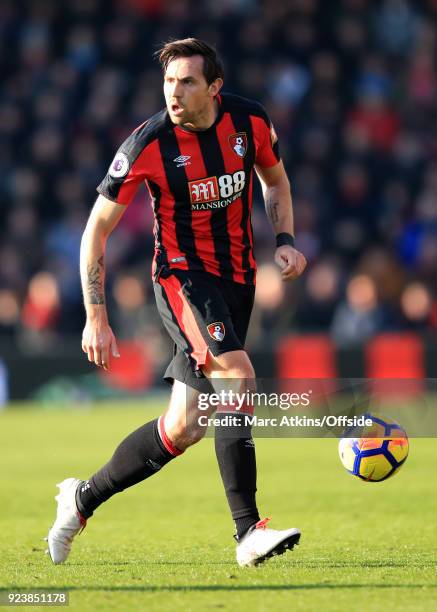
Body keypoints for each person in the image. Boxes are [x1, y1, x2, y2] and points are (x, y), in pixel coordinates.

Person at [46, 38, 307, 568]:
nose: (174, 92)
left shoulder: (250, 123)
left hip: (237, 279)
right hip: (183, 281)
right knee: (238, 377)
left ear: (214, 87)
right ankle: (248, 532)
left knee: (185, 425)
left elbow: (274, 178)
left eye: (186, 81)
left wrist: (284, 240)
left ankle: (80, 499)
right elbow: (95, 230)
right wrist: (96, 312)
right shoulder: (147, 143)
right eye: (168, 81)